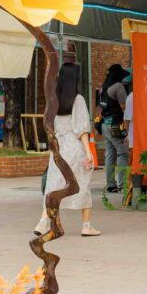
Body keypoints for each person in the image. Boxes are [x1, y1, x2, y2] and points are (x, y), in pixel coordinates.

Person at [38, 62, 100, 237]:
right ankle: (86, 225)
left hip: (58, 148)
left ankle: (44, 222)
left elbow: (48, 124)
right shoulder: (77, 99)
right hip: (74, 147)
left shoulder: (53, 99)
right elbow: (81, 129)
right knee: (82, 184)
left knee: (54, 184)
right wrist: (88, 152)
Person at [97, 64, 130, 193]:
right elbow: (124, 108)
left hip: (105, 123)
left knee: (110, 154)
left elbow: (99, 108)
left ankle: (111, 184)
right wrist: (128, 126)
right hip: (116, 125)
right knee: (123, 153)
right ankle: (123, 184)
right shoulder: (118, 87)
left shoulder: (103, 88)